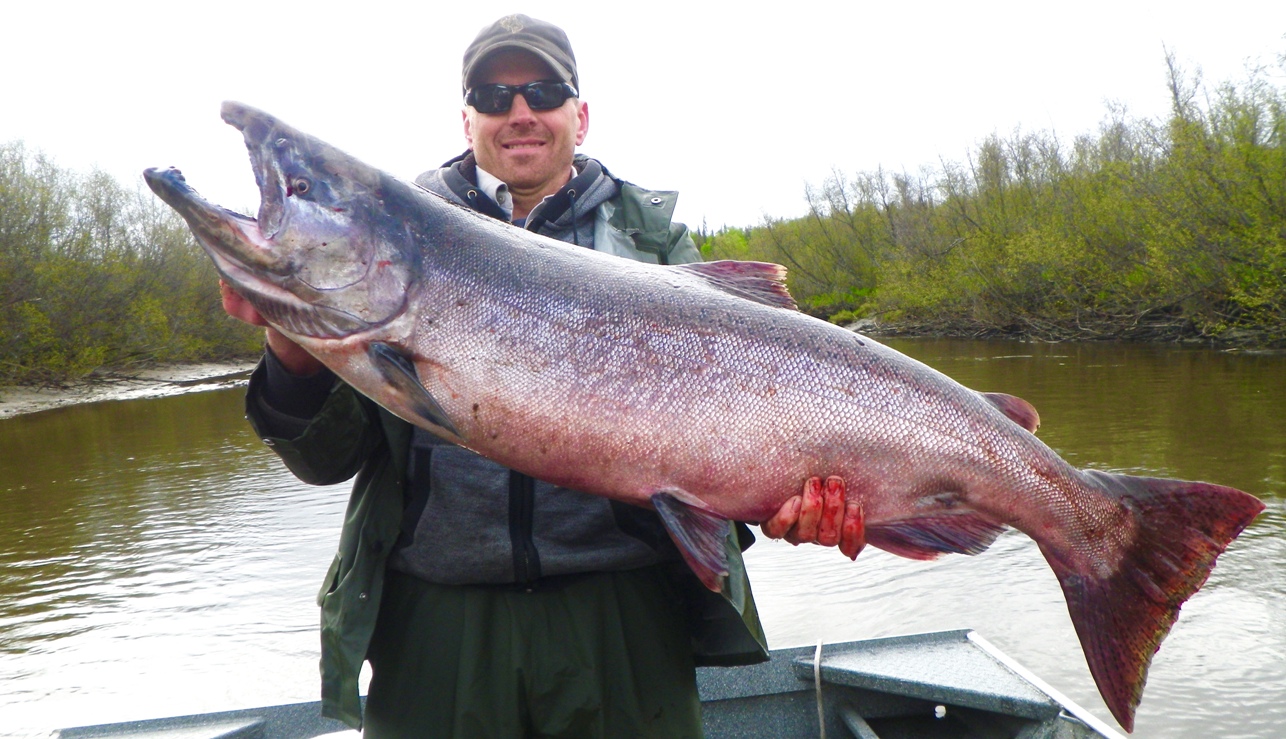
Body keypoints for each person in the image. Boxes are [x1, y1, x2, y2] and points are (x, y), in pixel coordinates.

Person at [221, 14, 861, 738]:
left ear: (579, 116)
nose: (519, 112)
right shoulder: (392, 240)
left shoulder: (656, 244)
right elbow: (326, 461)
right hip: (438, 623)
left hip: (622, 620)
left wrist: (787, 502)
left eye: (543, 92)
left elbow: (734, 451)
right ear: (466, 121)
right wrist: (294, 350)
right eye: (493, 96)